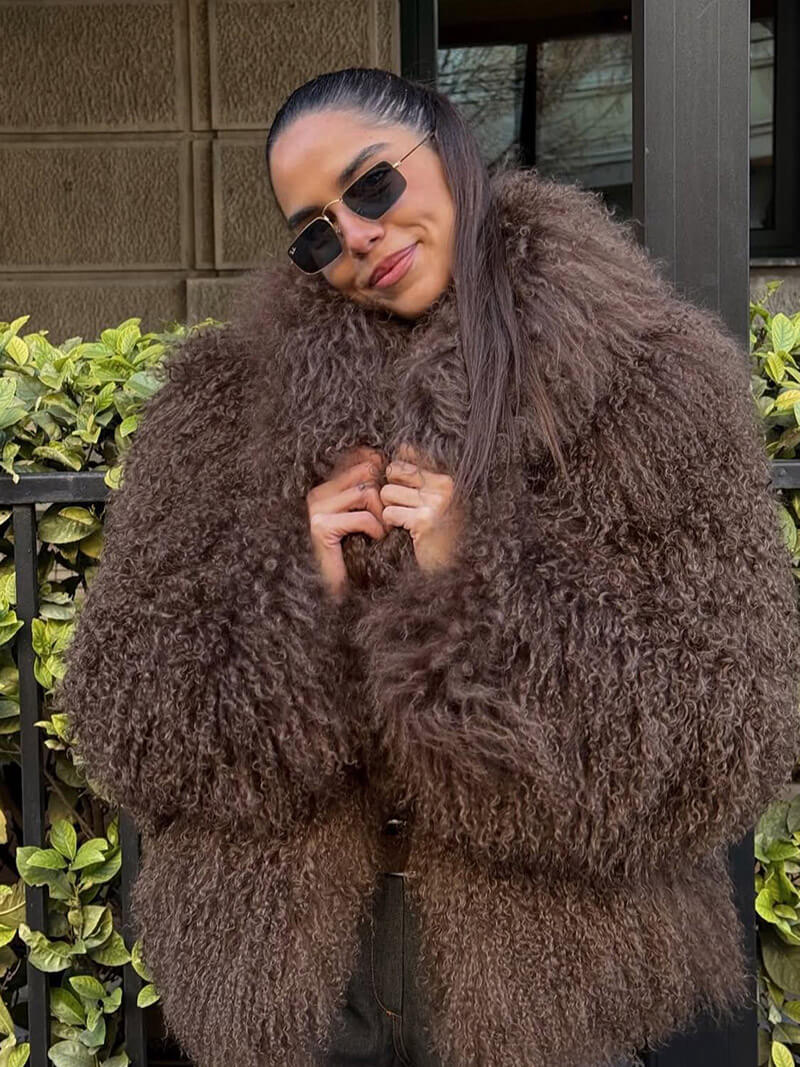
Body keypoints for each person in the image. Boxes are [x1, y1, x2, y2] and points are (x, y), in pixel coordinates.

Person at [54, 67, 800, 1067]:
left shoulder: (651, 388)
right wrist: (299, 589)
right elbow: (126, 721)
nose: (356, 236)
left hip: (543, 993)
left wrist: (477, 579)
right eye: (316, 233)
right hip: (300, 995)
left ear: (449, 153)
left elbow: (725, 736)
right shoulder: (220, 408)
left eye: (371, 185)